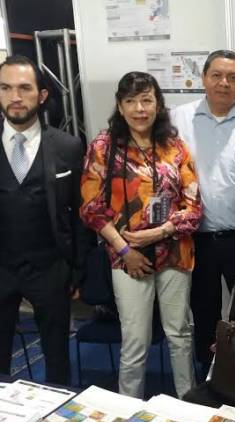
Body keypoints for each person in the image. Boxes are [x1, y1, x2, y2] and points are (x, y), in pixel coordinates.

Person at [0, 55, 89, 385]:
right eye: (6, 88)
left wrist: (78, 268)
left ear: (42, 95)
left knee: (57, 359)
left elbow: (81, 211)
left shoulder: (68, 146)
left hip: (51, 268)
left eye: (25, 88)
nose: (15, 97)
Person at [80, 71, 201, 399]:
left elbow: (193, 206)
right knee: (135, 340)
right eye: (131, 101)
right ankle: (128, 408)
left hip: (174, 252)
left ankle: (188, 402)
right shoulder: (104, 148)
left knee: (180, 335)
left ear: (158, 104)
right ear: (120, 107)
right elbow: (91, 208)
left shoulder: (174, 147)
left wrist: (159, 232)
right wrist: (124, 250)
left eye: (146, 100)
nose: (139, 109)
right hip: (127, 258)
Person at [170, 50, 235, 378]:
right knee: (204, 312)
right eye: (216, 75)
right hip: (194, 239)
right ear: (203, 78)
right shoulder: (177, 120)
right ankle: (208, 376)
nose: (224, 83)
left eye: (233, 77)